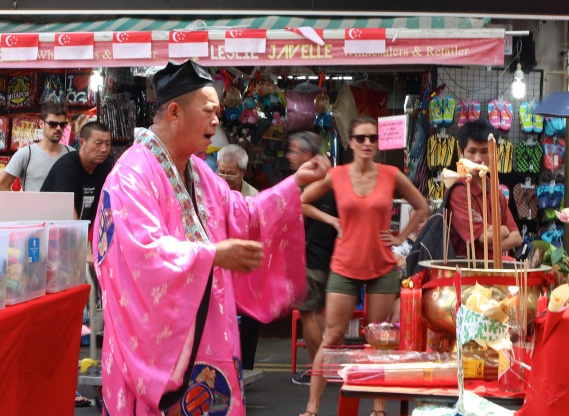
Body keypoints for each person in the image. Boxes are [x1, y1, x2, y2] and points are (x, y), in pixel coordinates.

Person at [92, 60, 329, 415]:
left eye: (217, 112)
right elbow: (139, 252)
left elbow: (244, 215)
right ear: (174, 112)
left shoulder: (199, 171)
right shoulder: (131, 175)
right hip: (162, 343)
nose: (217, 121)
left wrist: (295, 182)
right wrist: (213, 255)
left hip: (208, 328)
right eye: (208, 112)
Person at [299, 116, 430, 416]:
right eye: (360, 138)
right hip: (344, 265)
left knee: (380, 340)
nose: (367, 143)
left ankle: (378, 408)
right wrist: (332, 220)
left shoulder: (390, 173)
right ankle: (312, 407)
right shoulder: (337, 175)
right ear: (350, 142)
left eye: (372, 138)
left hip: (382, 266)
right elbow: (303, 200)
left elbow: (422, 205)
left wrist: (401, 235)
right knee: (332, 336)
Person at [286, 131, 339, 386]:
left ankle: (319, 370)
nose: (289, 156)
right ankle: (324, 368)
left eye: (294, 151)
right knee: (315, 313)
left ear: (307, 156)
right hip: (325, 256)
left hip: (313, 257)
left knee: (308, 313)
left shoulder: (317, 183)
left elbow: (299, 209)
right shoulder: (331, 180)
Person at [216, 144, 262, 374]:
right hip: (219, 265)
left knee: (249, 320)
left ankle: (245, 370)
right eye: (221, 171)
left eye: (230, 173)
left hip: (243, 268)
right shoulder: (210, 191)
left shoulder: (253, 197)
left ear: (243, 172)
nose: (224, 178)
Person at [449, 119, 521, 260]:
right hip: (466, 272)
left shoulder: (494, 188)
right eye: (472, 151)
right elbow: (485, 238)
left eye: (484, 152)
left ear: (493, 154)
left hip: (493, 271)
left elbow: (517, 238)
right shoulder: (458, 191)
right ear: (461, 152)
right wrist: (504, 230)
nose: (477, 159)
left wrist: (494, 236)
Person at [40, 121, 113, 222]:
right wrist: (77, 236)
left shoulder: (105, 166)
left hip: (83, 230)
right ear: (82, 142)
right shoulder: (66, 167)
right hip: (52, 230)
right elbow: (67, 211)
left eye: (108, 144)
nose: (104, 149)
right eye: (98, 144)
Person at [0, 102, 75, 192]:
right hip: (31, 205)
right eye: (52, 124)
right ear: (41, 124)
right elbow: (2, 185)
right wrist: (19, 204)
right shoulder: (26, 154)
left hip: (64, 206)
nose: (58, 128)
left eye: (62, 124)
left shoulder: (72, 155)